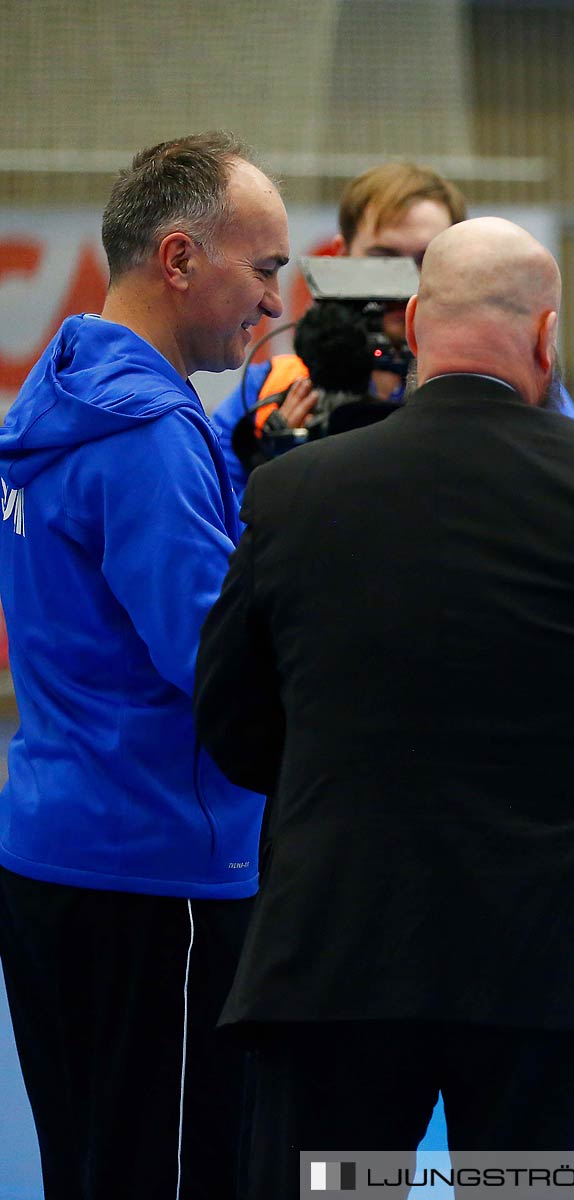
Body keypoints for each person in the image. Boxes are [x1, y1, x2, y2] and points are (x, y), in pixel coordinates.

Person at [194, 218, 574, 1197]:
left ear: (415, 325)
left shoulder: (293, 494)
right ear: (546, 339)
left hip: (337, 956)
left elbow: (228, 720)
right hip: (550, 969)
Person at [0, 133, 287, 1199]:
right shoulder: (148, 433)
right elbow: (214, 662)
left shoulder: (64, 393)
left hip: (59, 842)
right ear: (178, 259)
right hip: (152, 868)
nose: (270, 304)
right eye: (262, 269)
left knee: (92, 1167)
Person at [208, 160, 574, 512]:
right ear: (339, 257)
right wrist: (274, 470)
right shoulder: (272, 391)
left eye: (427, 259)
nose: (404, 285)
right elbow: (219, 527)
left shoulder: (520, 392)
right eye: (382, 257)